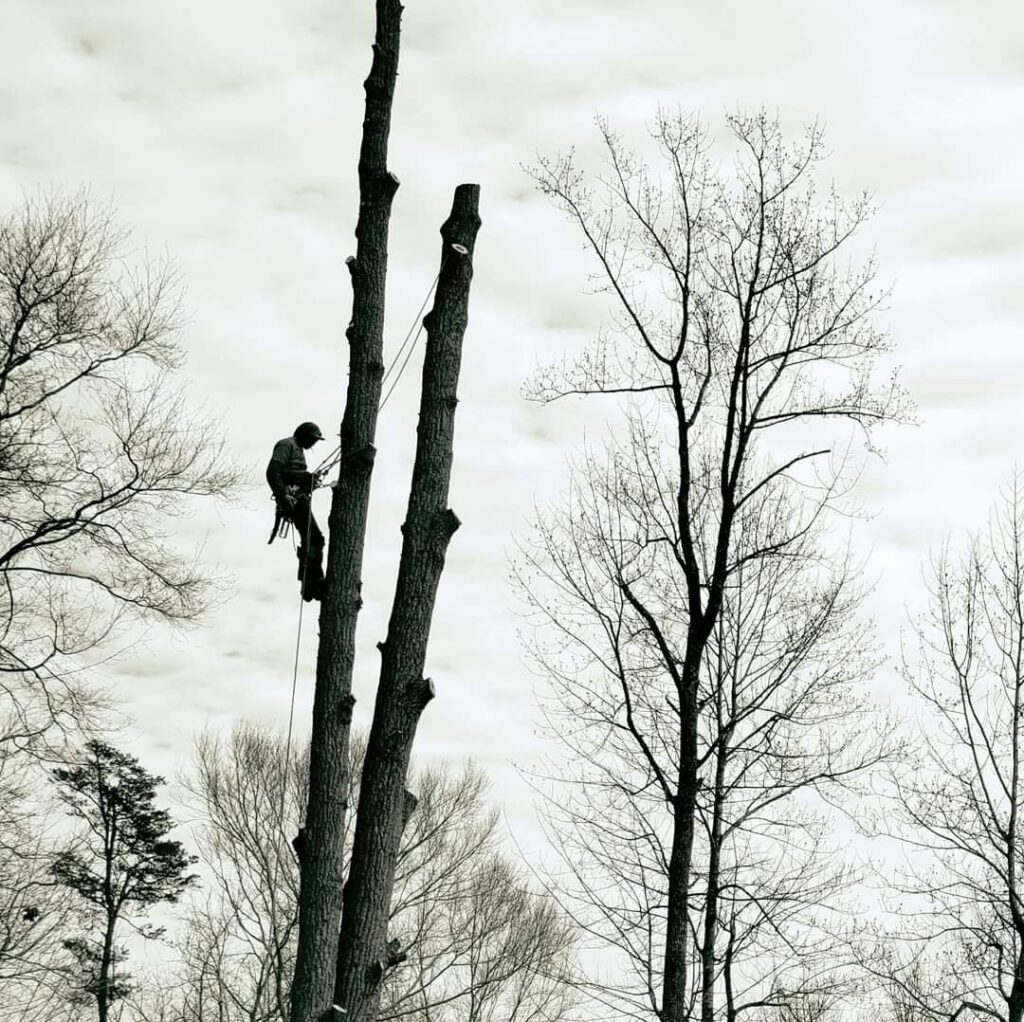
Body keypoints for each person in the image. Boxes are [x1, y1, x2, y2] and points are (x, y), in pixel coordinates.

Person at [266, 421, 326, 601]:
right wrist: (283, 496)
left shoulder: (298, 450)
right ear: (304, 435)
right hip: (292, 500)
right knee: (315, 538)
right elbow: (273, 472)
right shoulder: (287, 445)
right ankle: (312, 581)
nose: (313, 444)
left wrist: (310, 481)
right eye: (312, 439)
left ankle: (309, 582)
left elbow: (295, 475)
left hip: (298, 498)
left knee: (312, 538)